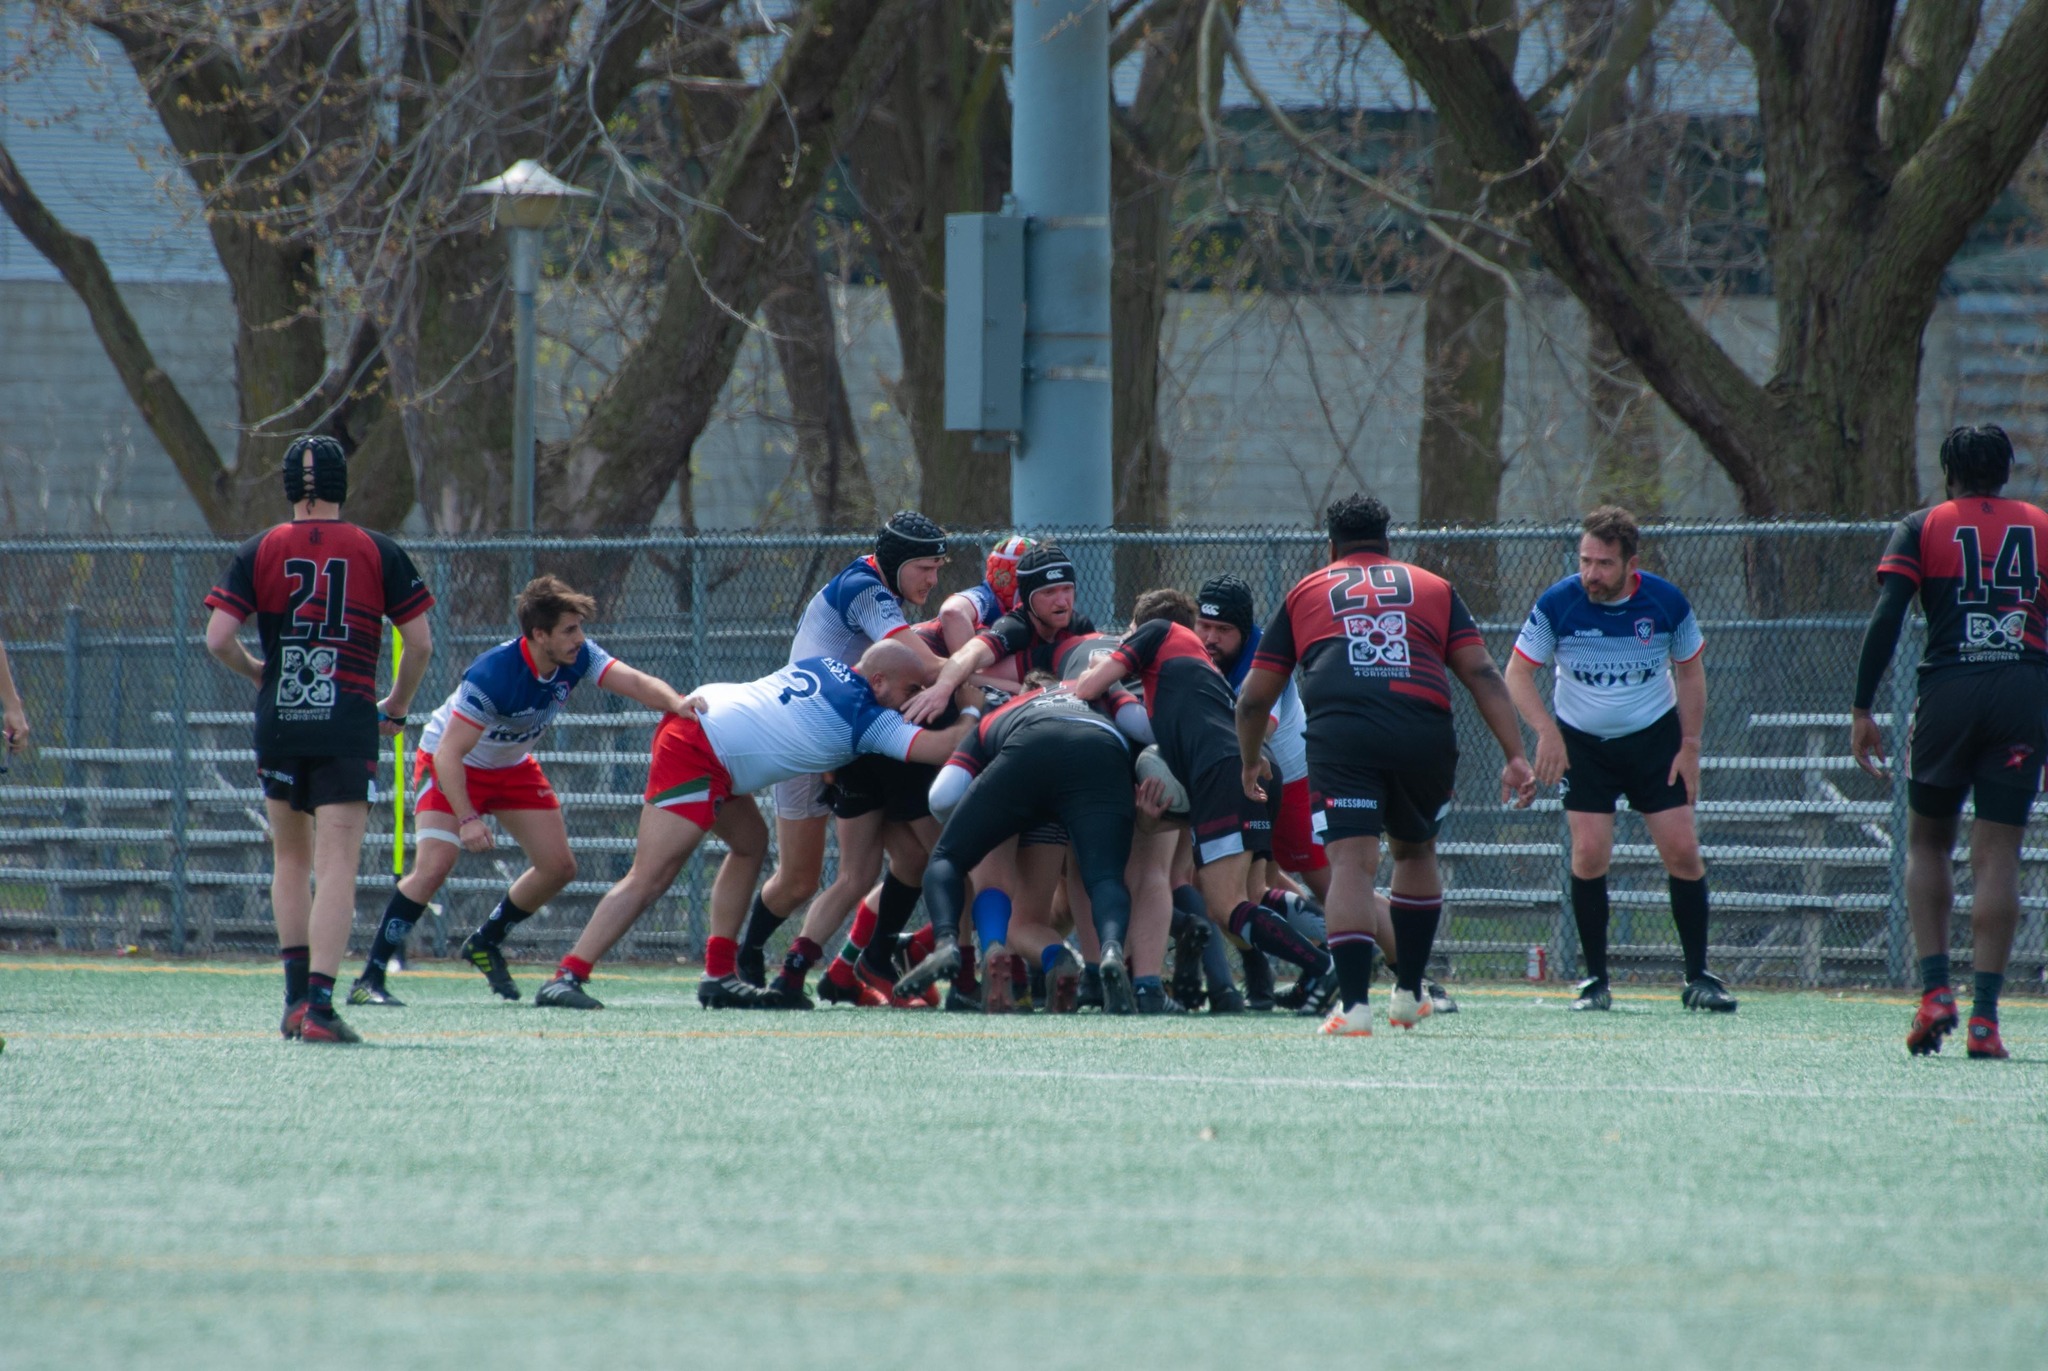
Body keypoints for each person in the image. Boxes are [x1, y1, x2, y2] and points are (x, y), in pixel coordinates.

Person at [532, 638, 972, 1010]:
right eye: (911, 688)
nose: (918, 697)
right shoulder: (866, 718)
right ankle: (567, 975)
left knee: (750, 844)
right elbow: (946, 747)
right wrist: (970, 704)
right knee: (651, 875)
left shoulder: (827, 665)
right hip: (698, 748)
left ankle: (719, 973)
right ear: (877, 682)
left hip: (711, 737)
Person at [1235, 494, 1535, 1036]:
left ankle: (1354, 1008)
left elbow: (1254, 699)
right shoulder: (1433, 587)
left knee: (1350, 865)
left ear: (1330, 545)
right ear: (1388, 542)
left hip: (1342, 734)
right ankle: (1408, 995)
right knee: (1415, 850)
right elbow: (1485, 674)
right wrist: (1515, 754)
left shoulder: (1307, 590)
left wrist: (1251, 758)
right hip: (1422, 727)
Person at [348, 575, 698, 1006]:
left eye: (579, 628)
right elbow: (449, 754)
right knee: (435, 866)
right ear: (538, 635)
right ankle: (369, 979)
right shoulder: (494, 675)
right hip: (451, 763)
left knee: (559, 868)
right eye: (569, 630)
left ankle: (486, 940)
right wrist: (469, 819)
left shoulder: (578, 657)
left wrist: (677, 703)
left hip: (511, 766)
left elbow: (638, 683)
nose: (579, 639)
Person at [203, 435, 434, 1044]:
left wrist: (259, 671)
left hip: (279, 719)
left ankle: (293, 1001)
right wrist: (398, 704)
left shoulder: (259, 549)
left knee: (289, 859)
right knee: (337, 867)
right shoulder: (376, 550)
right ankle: (322, 1010)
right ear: (341, 485)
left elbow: (217, 638)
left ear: (288, 487)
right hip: (345, 720)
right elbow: (422, 642)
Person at [1852, 425, 2048, 1060]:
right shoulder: (2042, 527)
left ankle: (1937, 990)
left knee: (1928, 840)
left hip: (1949, 691)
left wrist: (1862, 705)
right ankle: (1987, 1019)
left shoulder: (1923, 525)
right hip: (2023, 691)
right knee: (1999, 854)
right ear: (2006, 472)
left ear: (1949, 473)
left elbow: (1888, 617)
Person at [1504, 506, 1735, 1014]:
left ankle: (1699, 977)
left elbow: (1691, 673)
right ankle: (1595, 981)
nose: (1591, 574)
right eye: (1586, 560)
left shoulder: (1666, 602)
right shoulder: (1559, 603)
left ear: (1632, 562)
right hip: (1582, 745)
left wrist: (1690, 746)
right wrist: (1548, 733)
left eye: (1604, 563)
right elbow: (1517, 673)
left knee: (1683, 851)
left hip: (1654, 740)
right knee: (1589, 855)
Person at [1072, 587, 1337, 1015]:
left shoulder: (1157, 632)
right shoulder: (1197, 669)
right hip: (1255, 767)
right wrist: (1151, 819)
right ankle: (1338, 948)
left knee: (1224, 904)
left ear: (1139, 629)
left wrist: (1104, 667)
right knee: (1254, 892)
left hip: (1223, 771)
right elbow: (1146, 724)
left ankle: (1323, 965)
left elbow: (1087, 688)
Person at [738, 513, 950, 990]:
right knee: (798, 878)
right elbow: (929, 666)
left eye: (939, 568)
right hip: (807, 738)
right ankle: (746, 954)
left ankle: (855, 965)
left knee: (906, 861)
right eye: (926, 568)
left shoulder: (882, 587)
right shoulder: (866, 589)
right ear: (895, 563)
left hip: (849, 739)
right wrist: (993, 670)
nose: (934, 580)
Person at [894, 678, 1158, 1013]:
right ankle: (1108, 952)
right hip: (1095, 754)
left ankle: (951, 944)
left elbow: (943, 795)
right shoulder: (1105, 695)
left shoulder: (1003, 711)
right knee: (1102, 880)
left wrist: (973, 818)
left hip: (1023, 758)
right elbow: (1144, 737)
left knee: (949, 857)